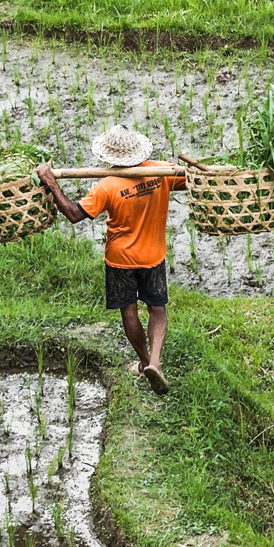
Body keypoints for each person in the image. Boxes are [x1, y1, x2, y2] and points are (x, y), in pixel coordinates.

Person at [38, 126, 185, 395]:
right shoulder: (161, 172)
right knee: (157, 309)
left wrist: (51, 182)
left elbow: (73, 214)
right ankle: (155, 363)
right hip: (153, 256)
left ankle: (143, 363)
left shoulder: (107, 186)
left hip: (121, 260)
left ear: (109, 155)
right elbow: (192, 180)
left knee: (129, 311)